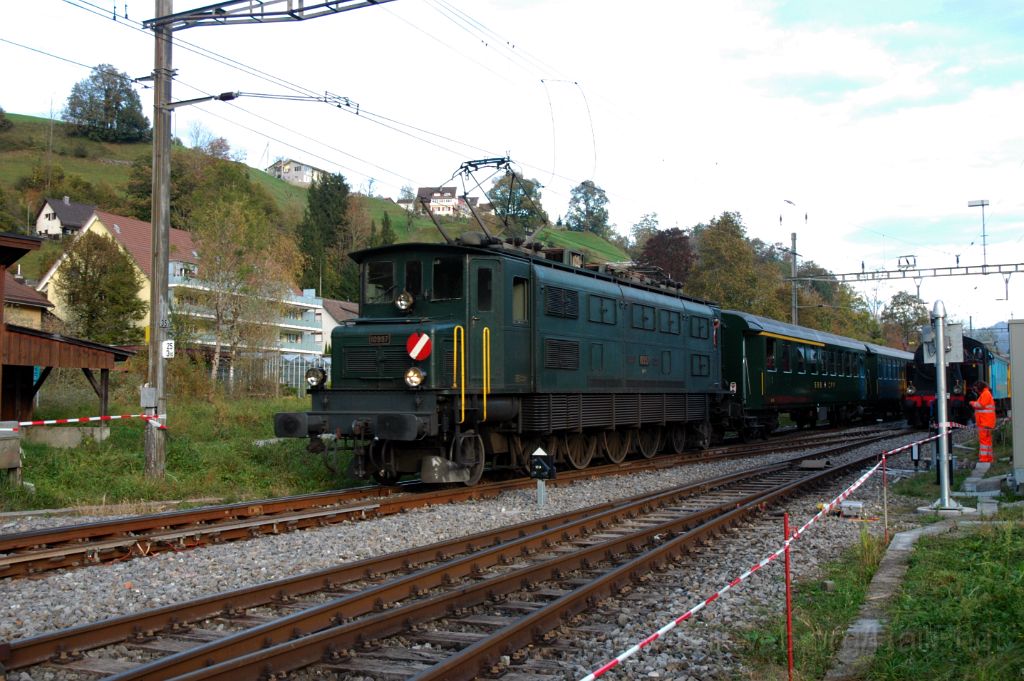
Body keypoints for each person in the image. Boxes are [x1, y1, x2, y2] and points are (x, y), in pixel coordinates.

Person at [969, 380, 996, 464]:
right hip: (985, 421)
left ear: (979, 387)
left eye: (976, 388)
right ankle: (988, 458)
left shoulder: (985, 394)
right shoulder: (985, 394)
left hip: (985, 422)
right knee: (987, 441)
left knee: (984, 441)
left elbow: (980, 405)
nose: (975, 390)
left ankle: (984, 458)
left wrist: (972, 403)